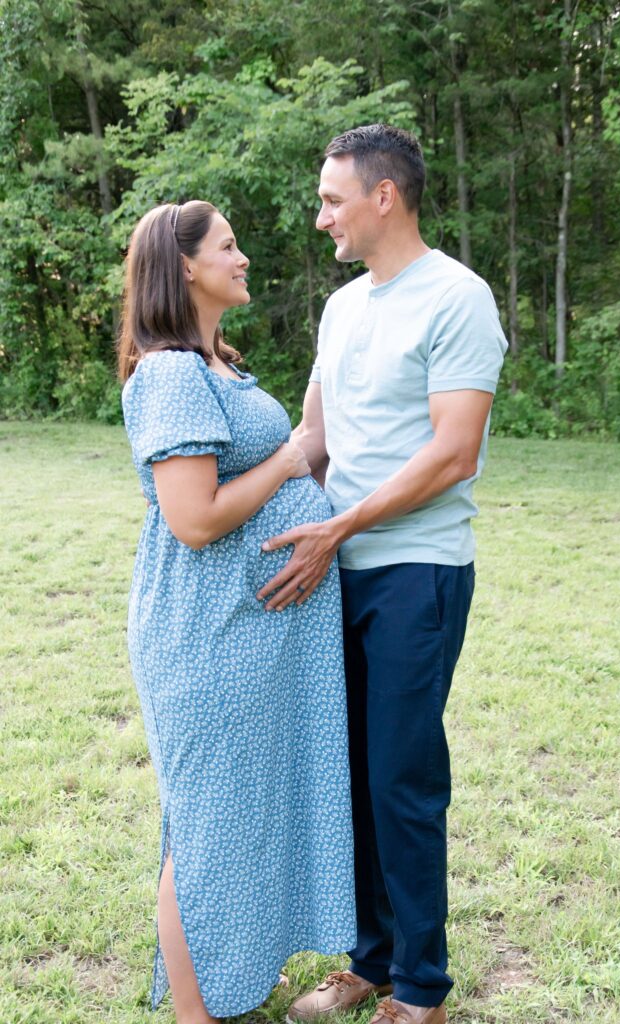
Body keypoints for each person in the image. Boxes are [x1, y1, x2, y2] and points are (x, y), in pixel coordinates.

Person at [256, 125, 508, 1024]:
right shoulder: (342, 308)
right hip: (339, 564)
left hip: (416, 567)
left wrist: (346, 524)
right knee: (349, 770)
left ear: (383, 197)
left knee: (401, 773)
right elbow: (311, 441)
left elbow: (453, 452)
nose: (320, 215)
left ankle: (421, 988)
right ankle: (368, 958)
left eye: (331, 199)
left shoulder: (457, 299)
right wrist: (220, 498)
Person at [118, 200, 356, 1024]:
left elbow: (298, 447)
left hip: (246, 634)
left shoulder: (219, 363)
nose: (243, 256)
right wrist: (292, 456)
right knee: (206, 830)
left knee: (234, 819)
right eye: (228, 245)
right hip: (203, 636)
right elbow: (194, 518)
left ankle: (229, 984)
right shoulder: (171, 372)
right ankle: (196, 1016)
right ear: (183, 266)